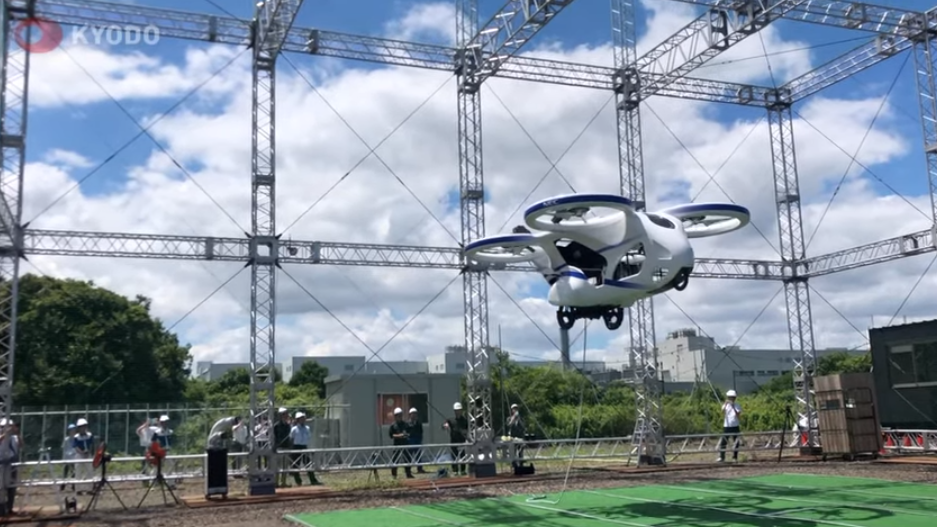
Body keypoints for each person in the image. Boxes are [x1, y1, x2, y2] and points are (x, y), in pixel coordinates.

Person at [288, 412, 320, 486]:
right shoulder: (294, 429)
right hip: (296, 447)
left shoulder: (307, 428)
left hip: (304, 447)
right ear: (298, 420)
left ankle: (313, 480)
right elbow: (291, 439)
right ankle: (298, 481)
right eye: (301, 418)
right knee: (296, 465)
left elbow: (308, 437)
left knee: (308, 464)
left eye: (303, 418)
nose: (303, 420)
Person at [443, 402, 468, 476]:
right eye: (456, 410)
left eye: (459, 410)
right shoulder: (451, 420)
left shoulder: (465, 420)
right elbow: (444, 424)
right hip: (454, 441)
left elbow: (469, 428)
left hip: (462, 441)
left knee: (463, 456)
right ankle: (455, 471)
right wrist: (446, 425)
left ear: (461, 410)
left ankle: (463, 470)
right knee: (454, 456)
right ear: (454, 411)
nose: (458, 412)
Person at [388, 408, 413, 479]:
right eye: (398, 415)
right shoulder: (393, 425)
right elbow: (391, 435)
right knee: (395, 459)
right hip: (397, 444)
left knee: (408, 459)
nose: (399, 417)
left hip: (405, 443)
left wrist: (406, 435)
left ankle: (408, 473)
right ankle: (394, 475)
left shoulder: (405, 424)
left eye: (400, 415)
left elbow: (409, 432)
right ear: (395, 416)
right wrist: (399, 436)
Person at [718, 389, 742, 463]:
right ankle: (722, 457)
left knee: (736, 442)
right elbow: (722, 412)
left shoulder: (737, 405)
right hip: (727, 426)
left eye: (732, 397)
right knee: (723, 442)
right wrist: (726, 404)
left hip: (735, 425)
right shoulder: (725, 405)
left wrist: (733, 406)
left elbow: (738, 414)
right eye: (729, 397)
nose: (731, 399)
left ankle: (735, 457)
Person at [72, 418, 94, 494]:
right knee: (78, 472)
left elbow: (91, 445)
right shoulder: (76, 437)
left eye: (84, 426)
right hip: (79, 455)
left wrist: (88, 452)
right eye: (81, 426)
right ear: (78, 428)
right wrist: (82, 452)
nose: (83, 428)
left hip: (88, 454)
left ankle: (89, 489)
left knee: (90, 471)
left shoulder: (89, 435)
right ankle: (78, 489)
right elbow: (75, 447)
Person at [272, 408, 292, 488]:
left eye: (286, 414)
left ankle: (283, 482)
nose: (286, 415)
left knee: (285, 466)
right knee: (277, 466)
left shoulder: (288, 426)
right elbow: (273, 436)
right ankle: (276, 482)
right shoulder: (276, 426)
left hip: (286, 446)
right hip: (279, 447)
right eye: (284, 414)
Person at [407, 408, 426, 474]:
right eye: (413, 414)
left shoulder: (419, 423)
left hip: (417, 440)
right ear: (410, 415)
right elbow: (407, 432)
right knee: (409, 456)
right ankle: (408, 470)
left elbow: (421, 431)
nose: (414, 415)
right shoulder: (408, 423)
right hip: (410, 441)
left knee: (418, 455)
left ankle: (419, 468)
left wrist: (420, 439)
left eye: (415, 414)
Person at [60, 424, 77, 493]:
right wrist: (64, 458)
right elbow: (64, 449)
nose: (72, 431)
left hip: (73, 458)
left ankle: (73, 485)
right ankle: (63, 484)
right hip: (67, 458)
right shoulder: (66, 439)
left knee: (73, 472)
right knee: (65, 472)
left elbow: (76, 448)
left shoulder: (76, 439)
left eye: (73, 430)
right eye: (71, 430)